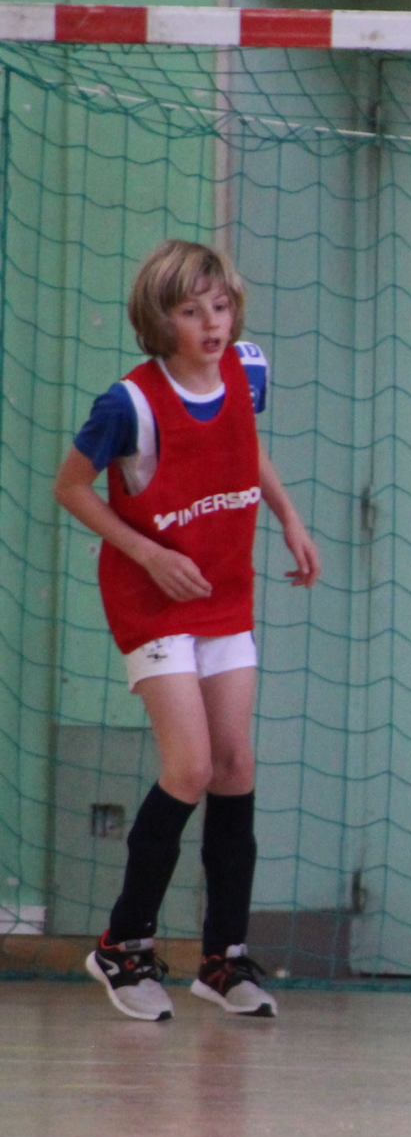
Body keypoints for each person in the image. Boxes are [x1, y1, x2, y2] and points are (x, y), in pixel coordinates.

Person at [52, 240, 322, 1022]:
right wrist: (147, 551)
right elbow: (71, 486)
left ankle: (222, 960)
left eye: (221, 305)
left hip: (223, 590)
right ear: (158, 318)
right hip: (155, 596)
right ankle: (123, 946)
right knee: (192, 764)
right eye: (191, 309)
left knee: (235, 764)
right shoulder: (129, 404)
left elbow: (245, 444)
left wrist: (289, 516)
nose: (212, 322)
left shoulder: (246, 368)